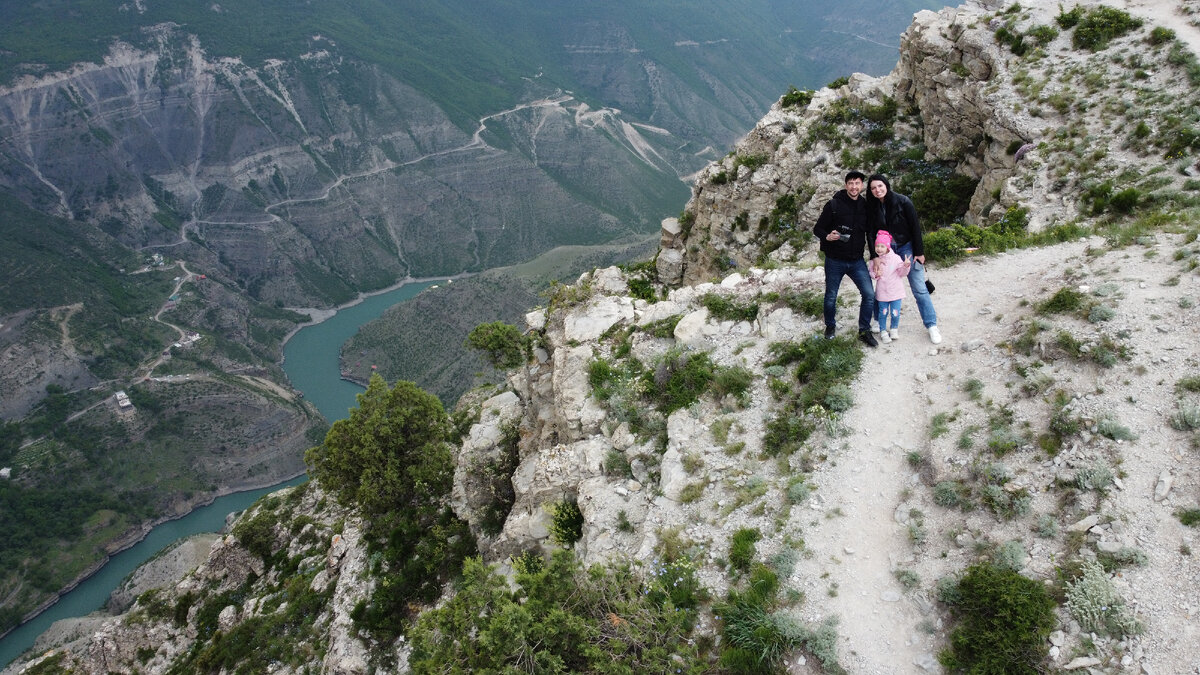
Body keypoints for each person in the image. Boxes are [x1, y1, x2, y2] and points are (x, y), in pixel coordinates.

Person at [865, 173, 942, 344]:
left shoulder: (903, 201)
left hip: (906, 248)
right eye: (873, 188)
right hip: (884, 251)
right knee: (882, 285)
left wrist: (919, 252)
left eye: (880, 186)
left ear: (886, 185)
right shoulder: (872, 207)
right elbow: (870, 233)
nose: (877, 190)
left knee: (919, 288)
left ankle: (931, 325)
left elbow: (915, 227)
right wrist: (874, 256)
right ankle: (878, 320)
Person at [813, 170, 876, 347]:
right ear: (846, 184)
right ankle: (830, 327)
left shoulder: (865, 206)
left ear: (862, 186)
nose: (854, 187)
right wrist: (827, 236)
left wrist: (874, 256)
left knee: (869, 295)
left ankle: (864, 330)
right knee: (831, 296)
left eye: (857, 183)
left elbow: (870, 233)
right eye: (851, 183)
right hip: (834, 260)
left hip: (857, 260)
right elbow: (817, 229)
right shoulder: (833, 204)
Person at [870, 230, 911, 344]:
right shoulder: (875, 261)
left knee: (895, 312)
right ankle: (883, 331)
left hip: (896, 292)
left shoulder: (896, 258)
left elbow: (902, 273)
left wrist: (906, 265)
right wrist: (875, 275)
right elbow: (872, 273)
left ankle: (893, 329)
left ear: (888, 247)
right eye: (877, 246)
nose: (879, 249)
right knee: (882, 313)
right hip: (882, 293)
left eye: (882, 246)